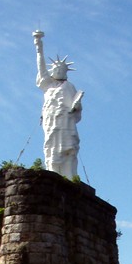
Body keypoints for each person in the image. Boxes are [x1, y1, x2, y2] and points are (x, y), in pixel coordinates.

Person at [33, 30, 83, 179]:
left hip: (66, 121)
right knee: (51, 147)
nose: (59, 71)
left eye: (62, 69)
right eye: (56, 69)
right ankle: (53, 174)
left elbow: (77, 110)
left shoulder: (69, 86)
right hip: (51, 121)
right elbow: (41, 67)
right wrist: (38, 46)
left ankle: (69, 176)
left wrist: (76, 106)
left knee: (69, 148)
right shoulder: (48, 85)